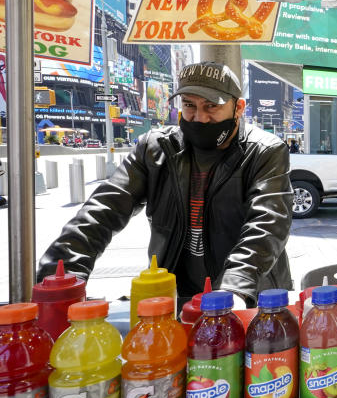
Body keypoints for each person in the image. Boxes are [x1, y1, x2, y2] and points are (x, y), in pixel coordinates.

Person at [37, 62, 294, 307]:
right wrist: (59, 277)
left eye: (211, 106)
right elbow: (101, 211)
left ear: (238, 107)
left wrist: (235, 289)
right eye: (190, 105)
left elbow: (268, 224)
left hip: (250, 298)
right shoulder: (155, 148)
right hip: (175, 296)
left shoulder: (264, 151)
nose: (199, 118)